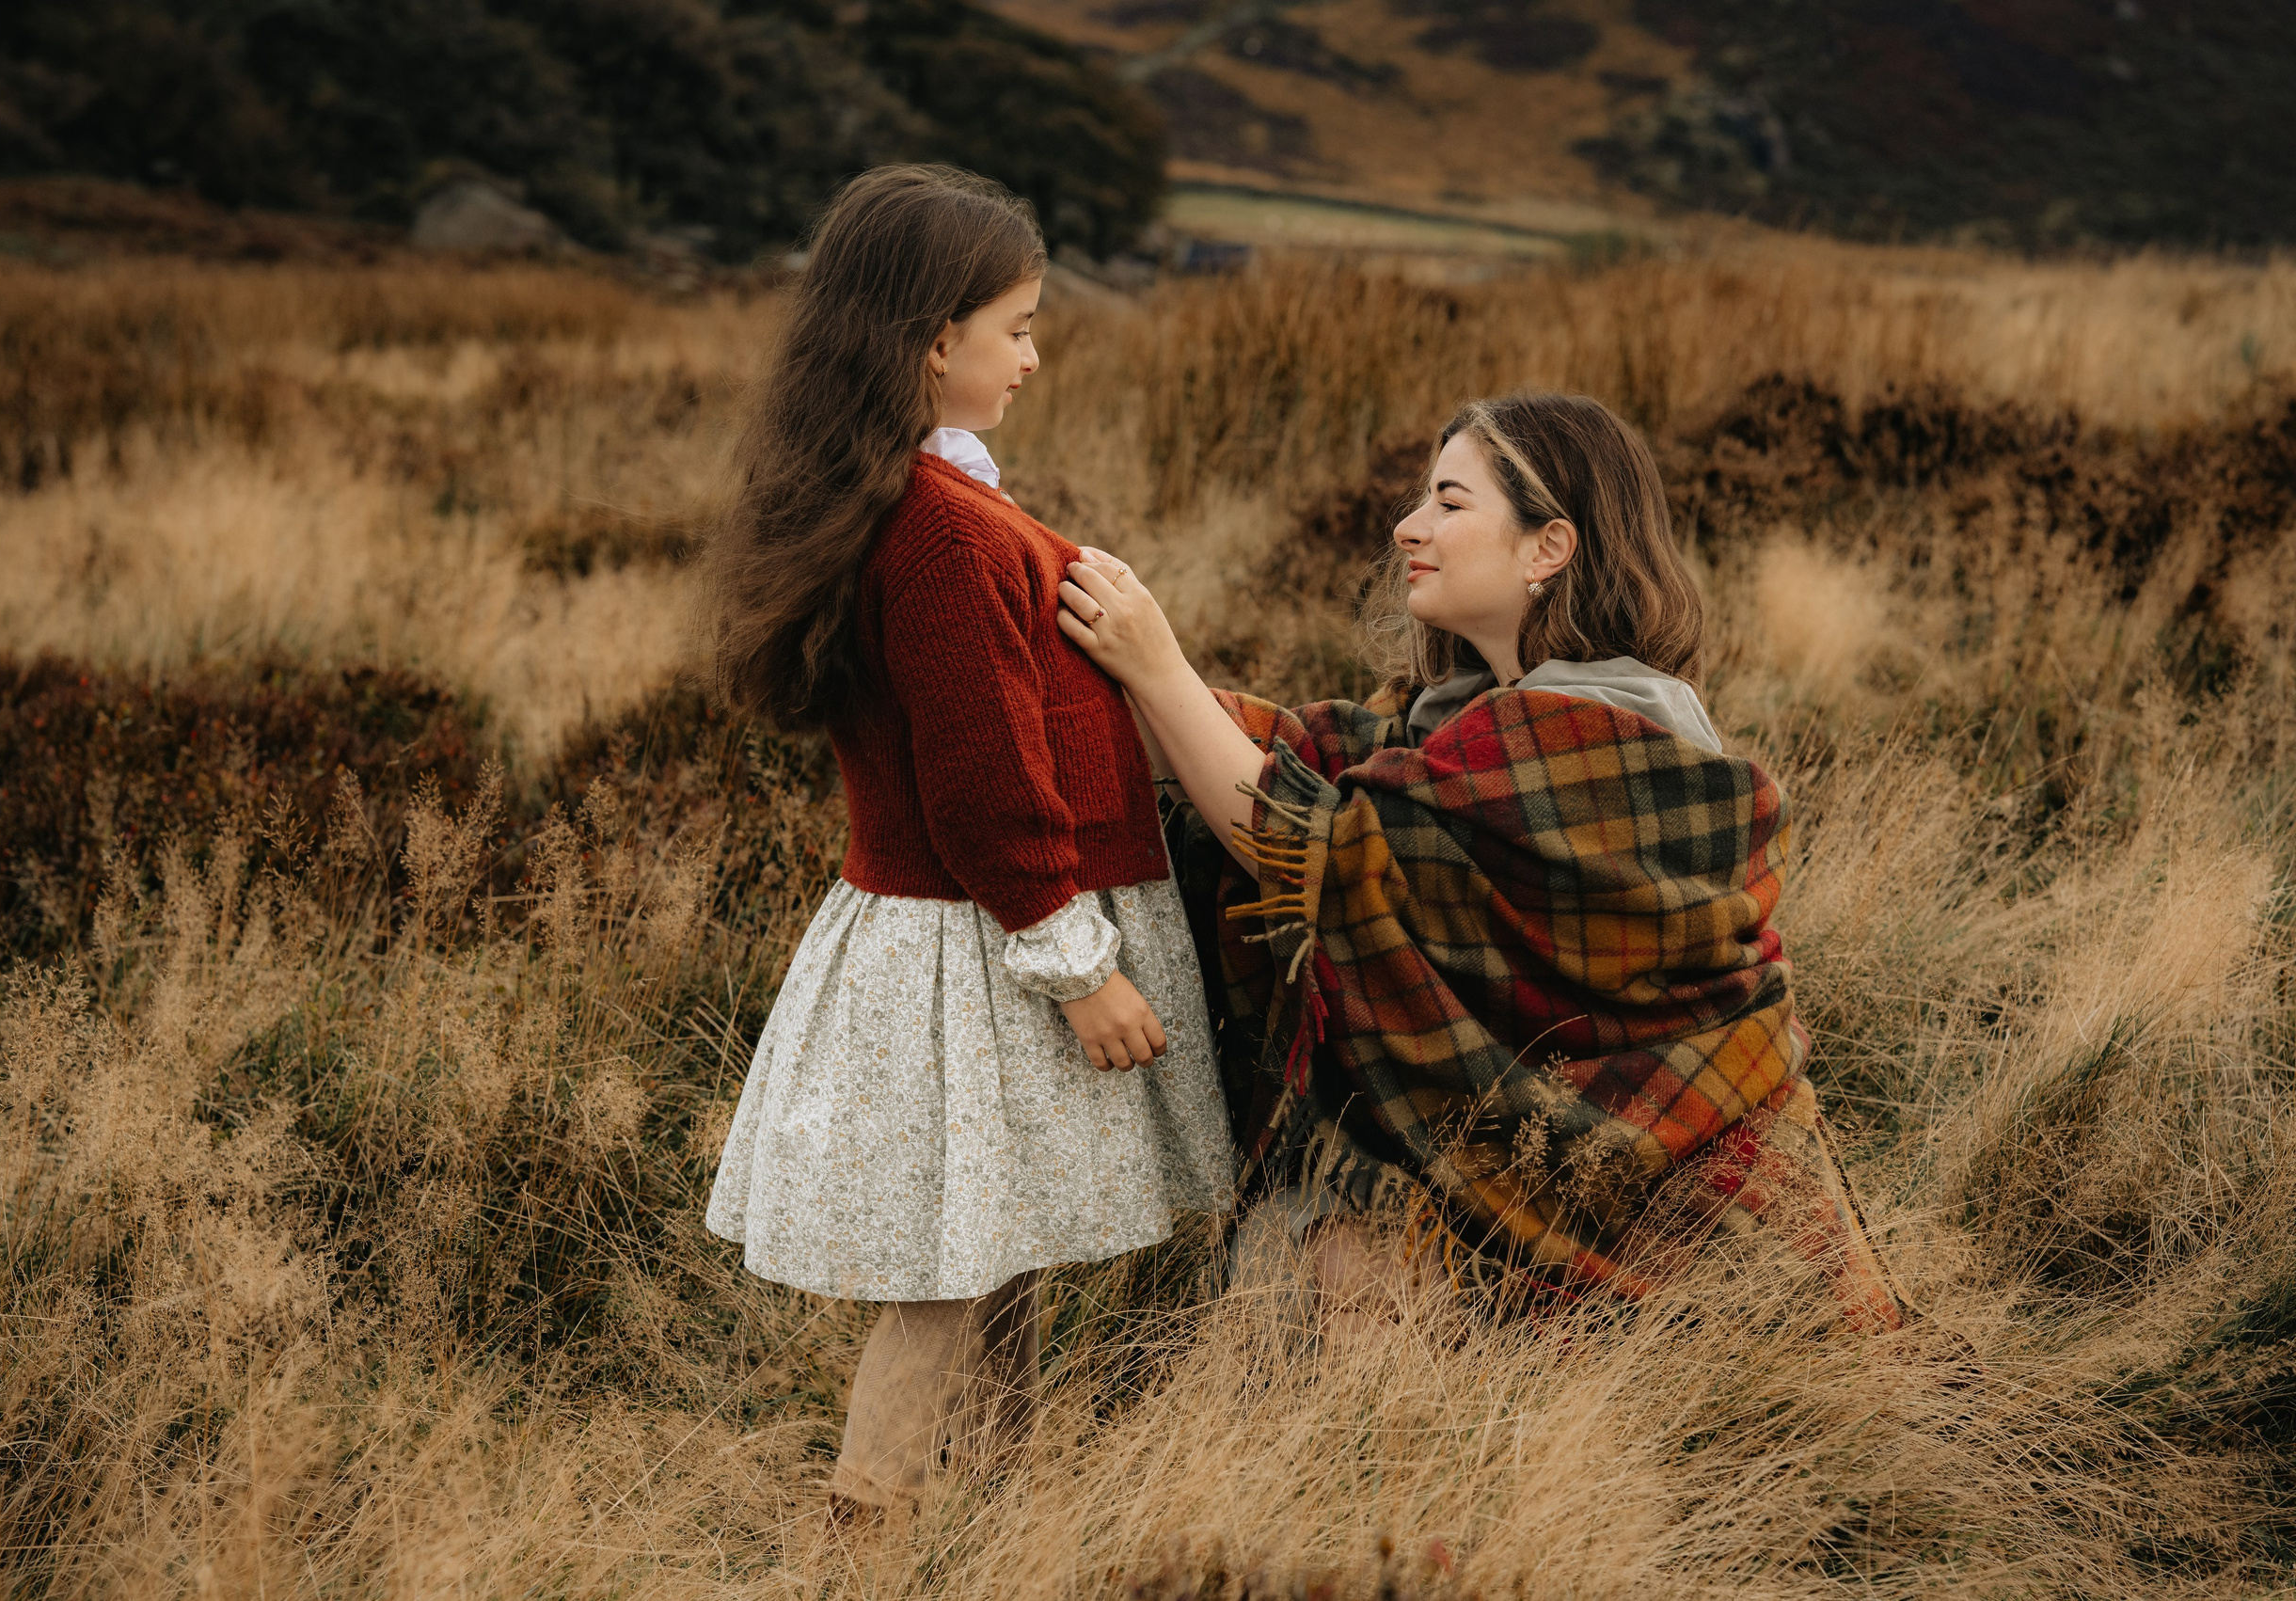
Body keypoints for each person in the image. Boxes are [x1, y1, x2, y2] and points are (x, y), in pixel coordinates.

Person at [1057, 391, 1908, 1336]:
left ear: (1548, 547)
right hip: (1557, 1182)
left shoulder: (1602, 733)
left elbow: (1320, 851)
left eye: (1450, 504)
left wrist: (1158, 667)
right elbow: (1303, 759)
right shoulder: (1453, 719)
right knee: (1321, 1247)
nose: (1407, 526)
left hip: (1676, 1222)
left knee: (1325, 1260)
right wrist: (1076, 649)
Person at [700, 166, 1237, 1519]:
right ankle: (867, 1515)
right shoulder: (939, 536)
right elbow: (983, 784)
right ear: (935, 342)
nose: (1034, 353)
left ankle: (1000, 1500)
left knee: (1006, 1237)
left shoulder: (930, 500)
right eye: (1018, 325)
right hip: (983, 942)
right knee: (948, 1266)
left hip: (971, 929)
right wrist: (1080, 963)